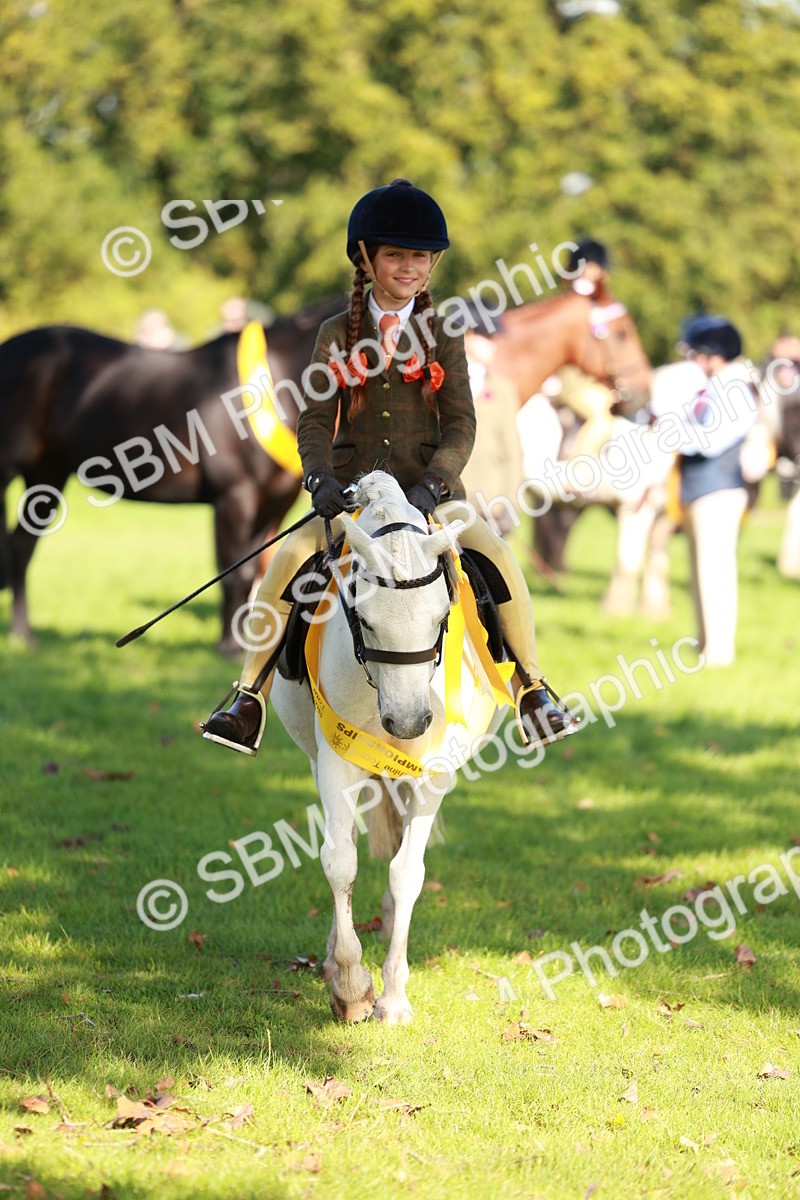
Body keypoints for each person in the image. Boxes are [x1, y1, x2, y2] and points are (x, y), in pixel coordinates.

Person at [203, 179, 579, 753]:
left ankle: (532, 687)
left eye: (419, 257)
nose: (408, 267)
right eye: (396, 255)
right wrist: (319, 478)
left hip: (432, 493)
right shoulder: (335, 334)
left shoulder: (445, 334)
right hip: (354, 495)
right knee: (288, 559)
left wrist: (434, 484)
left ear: (432, 265)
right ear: (367, 259)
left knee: (499, 557)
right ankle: (247, 696)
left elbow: (461, 424)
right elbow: (312, 420)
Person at [678, 320, 760, 666]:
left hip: (720, 489)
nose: (695, 359)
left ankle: (719, 650)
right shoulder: (711, 387)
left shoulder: (736, 389)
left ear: (715, 354)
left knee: (717, 570)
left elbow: (711, 441)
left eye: (699, 352)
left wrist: (673, 436)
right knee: (700, 570)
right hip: (700, 489)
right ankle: (704, 642)